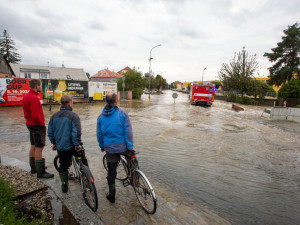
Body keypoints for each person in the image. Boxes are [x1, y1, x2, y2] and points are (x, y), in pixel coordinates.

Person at [97, 93, 135, 203]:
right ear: (116, 101)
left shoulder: (100, 117)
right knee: (132, 160)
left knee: (111, 172)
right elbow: (128, 132)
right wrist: (130, 146)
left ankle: (112, 195)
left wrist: (102, 146)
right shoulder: (123, 114)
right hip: (123, 147)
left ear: (106, 101)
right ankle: (135, 179)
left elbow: (99, 134)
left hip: (110, 148)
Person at [48, 95, 84, 193]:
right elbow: (77, 132)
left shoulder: (53, 116)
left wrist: (54, 143)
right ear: (70, 103)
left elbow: (50, 133)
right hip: (73, 146)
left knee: (63, 165)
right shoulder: (73, 116)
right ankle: (86, 179)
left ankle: (64, 186)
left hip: (61, 146)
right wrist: (77, 144)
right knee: (83, 161)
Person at [22, 79, 54, 178]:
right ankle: (41, 172)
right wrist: (42, 123)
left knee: (33, 145)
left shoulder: (26, 96)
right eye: (40, 85)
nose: (41, 87)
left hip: (29, 124)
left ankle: (34, 168)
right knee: (39, 148)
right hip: (36, 125)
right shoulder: (34, 98)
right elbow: (36, 115)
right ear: (37, 86)